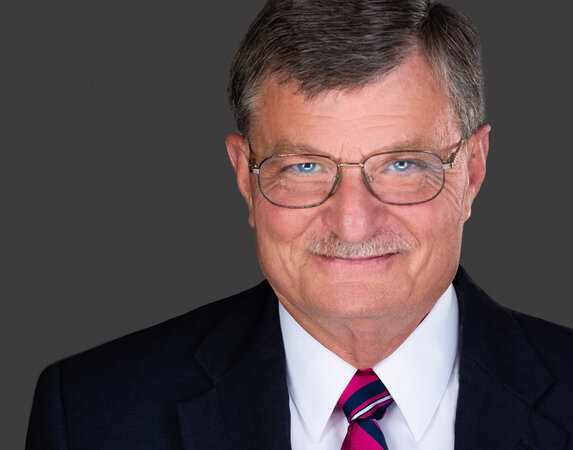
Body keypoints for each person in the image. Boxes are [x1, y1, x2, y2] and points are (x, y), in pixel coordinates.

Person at [26, 1, 573, 449]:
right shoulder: (92, 416)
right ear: (244, 175)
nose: (353, 224)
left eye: (402, 164)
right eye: (305, 167)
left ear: (472, 171)